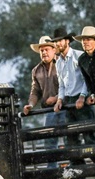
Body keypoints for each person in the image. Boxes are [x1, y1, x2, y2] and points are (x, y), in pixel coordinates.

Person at [48, 28, 95, 179]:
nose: (57, 43)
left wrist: (83, 96)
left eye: (59, 40)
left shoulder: (79, 56)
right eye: (55, 41)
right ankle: (80, 175)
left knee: (90, 138)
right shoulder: (59, 63)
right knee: (71, 140)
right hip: (70, 102)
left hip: (80, 99)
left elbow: (87, 79)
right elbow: (62, 85)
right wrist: (59, 99)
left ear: (67, 41)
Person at [23, 36, 64, 169]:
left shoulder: (62, 64)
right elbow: (35, 91)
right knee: (50, 142)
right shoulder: (36, 70)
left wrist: (57, 98)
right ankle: (52, 172)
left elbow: (69, 86)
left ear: (54, 50)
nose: (44, 52)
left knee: (70, 139)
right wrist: (30, 104)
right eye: (41, 50)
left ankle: (73, 171)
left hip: (65, 107)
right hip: (49, 111)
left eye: (46, 49)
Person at [74, 26, 95, 143]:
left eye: (89, 39)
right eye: (84, 40)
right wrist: (91, 94)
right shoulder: (82, 59)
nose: (85, 42)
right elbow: (87, 80)